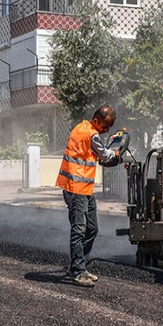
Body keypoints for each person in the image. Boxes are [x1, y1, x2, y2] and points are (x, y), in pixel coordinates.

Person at [56, 105, 122, 287]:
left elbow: (94, 154)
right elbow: (104, 154)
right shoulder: (90, 134)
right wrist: (115, 154)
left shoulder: (82, 128)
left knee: (92, 229)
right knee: (79, 230)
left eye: (109, 127)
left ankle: (78, 265)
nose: (107, 130)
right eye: (105, 126)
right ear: (96, 121)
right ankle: (78, 272)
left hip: (84, 188)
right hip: (76, 188)